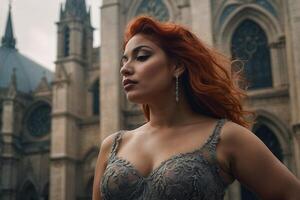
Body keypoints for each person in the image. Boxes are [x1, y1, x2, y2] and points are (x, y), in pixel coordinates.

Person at [93, 16, 300, 200]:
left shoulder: (226, 136)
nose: (125, 68)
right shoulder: (112, 145)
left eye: (142, 57)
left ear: (177, 66)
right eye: (124, 59)